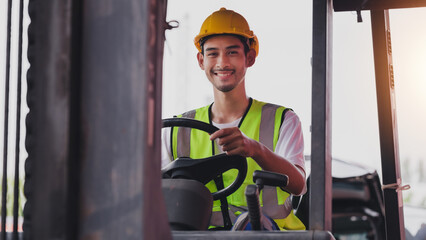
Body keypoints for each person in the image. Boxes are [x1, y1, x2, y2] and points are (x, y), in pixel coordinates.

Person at [161, 7, 306, 230]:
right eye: (212, 53)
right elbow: (153, 192)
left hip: (267, 235)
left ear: (250, 57)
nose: (222, 62)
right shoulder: (175, 130)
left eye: (232, 52)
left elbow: (297, 185)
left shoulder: (282, 120)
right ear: (201, 61)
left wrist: (256, 149)